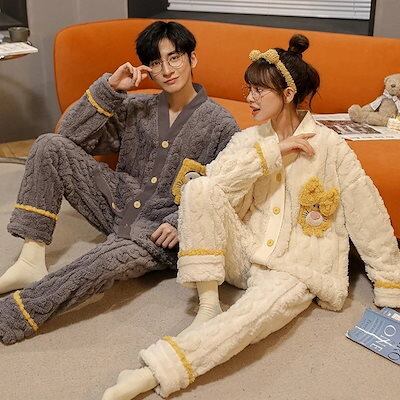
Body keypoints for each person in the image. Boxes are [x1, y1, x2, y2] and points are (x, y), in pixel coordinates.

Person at [101, 34, 400, 400]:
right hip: (242, 253)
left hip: (295, 267)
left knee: (247, 321)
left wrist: (390, 285)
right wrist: (272, 153)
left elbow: (368, 216)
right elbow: (212, 188)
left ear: (287, 94)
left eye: (259, 91)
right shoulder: (248, 140)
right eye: (249, 89)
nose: (250, 98)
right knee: (199, 186)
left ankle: (153, 372)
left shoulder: (331, 148)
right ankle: (208, 304)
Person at [0, 21, 239, 345]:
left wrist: (179, 221)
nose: (167, 70)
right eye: (156, 62)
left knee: (101, 261)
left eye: (174, 57)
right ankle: (31, 258)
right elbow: (68, 135)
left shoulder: (220, 124)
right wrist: (110, 89)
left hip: (157, 232)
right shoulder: (137, 108)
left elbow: (225, 186)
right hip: (116, 200)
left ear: (192, 58)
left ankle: (13, 314)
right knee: (47, 145)